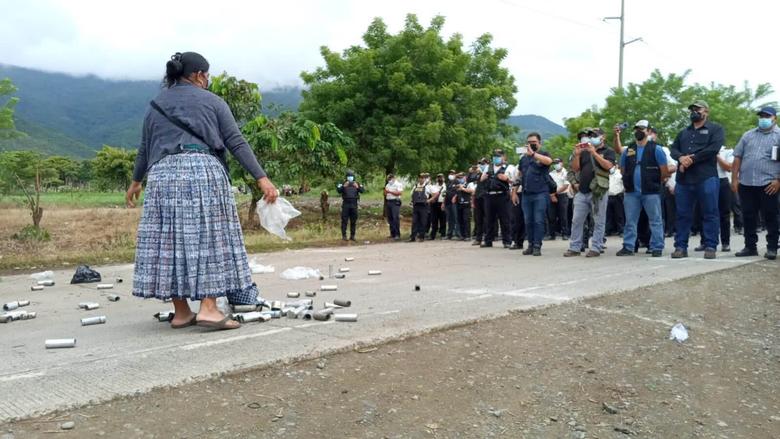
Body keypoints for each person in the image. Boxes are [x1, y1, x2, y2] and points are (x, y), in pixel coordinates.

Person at [126, 51, 278, 331]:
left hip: (162, 176)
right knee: (210, 239)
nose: (207, 80)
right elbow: (236, 141)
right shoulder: (213, 102)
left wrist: (136, 182)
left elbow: (145, 149)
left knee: (169, 242)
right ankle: (208, 309)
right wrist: (262, 178)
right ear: (198, 75)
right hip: (202, 172)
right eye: (206, 75)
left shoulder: (155, 105)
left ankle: (181, 312)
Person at [669, 100, 725, 259]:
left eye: (697, 109)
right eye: (692, 109)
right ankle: (680, 246)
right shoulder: (683, 132)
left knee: (710, 212)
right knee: (682, 214)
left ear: (706, 111)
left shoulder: (716, 129)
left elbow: (713, 149)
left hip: (706, 176)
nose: (694, 111)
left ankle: (710, 246)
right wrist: (681, 157)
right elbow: (674, 149)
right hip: (684, 179)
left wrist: (692, 159)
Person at [731, 106, 780, 260]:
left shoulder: (779, 136)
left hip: (769, 183)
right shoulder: (748, 135)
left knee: (771, 216)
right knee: (748, 215)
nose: (763, 119)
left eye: (767, 116)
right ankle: (750, 246)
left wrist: (778, 180)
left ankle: (772, 247)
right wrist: (734, 179)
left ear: (774, 118)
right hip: (747, 183)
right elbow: (737, 157)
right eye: (761, 116)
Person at [615, 120, 670, 257]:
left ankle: (657, 247)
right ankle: (628, 246)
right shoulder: (628, 150)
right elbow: (622, 169)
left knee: (655, 220)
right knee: (630, 221)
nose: (638, 131)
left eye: (642, 128)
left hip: (651, 191)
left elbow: (664, 170)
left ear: (649, 131)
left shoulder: (656, 149)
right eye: (636, 129)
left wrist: (655, 181)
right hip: (631, 192)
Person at [565, 128, 616, 257]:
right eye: (590, 135)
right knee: (576, 220)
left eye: (594, 135)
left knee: (599, 220)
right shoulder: (584, 152)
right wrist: (577, 155)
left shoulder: (608, 151)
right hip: (582, 191)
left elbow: (609, 166)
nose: (591, 137)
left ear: (602, 137)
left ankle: (596, 247)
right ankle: (575, 247)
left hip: (598, 191)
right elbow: (576, 168)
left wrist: (594, 153)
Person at [518, 133, 554, 255]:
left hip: (540, 193)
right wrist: (514, 190)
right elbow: (520, 174)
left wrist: (533, 154)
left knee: (538, 220)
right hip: (526, 193)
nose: (531, 144)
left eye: (534, 142)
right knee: (528, 220)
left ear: (539, 143)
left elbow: (549, 161)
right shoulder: (523, 158)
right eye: (529, 142)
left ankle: (537, 246)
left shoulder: (543, 154)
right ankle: (531, 245)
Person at [481, 149, 512, 248]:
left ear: (504, 157)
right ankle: (488, 241)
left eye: (499, 156)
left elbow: (514, 181)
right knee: (489, 219)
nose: (496, 158)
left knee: (505, 219)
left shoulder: (509, 167)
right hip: (489, 195)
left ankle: (507, 241)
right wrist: (484, 177)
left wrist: (506, 178)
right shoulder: (488, 167)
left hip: (502, 195)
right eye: (495, 156)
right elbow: (481, 179)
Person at [712, 146, 735, 252]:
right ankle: (707, 242)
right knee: (707, 213)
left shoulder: (727, 150)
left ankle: (725, 243)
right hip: (707, 180)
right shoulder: (703, 148)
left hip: (722, 181)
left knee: (724, 214)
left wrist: (716, 155)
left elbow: (729, 167)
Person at [336, 169, 364, 241]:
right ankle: (344, 236)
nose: (350, 178)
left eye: (351, 176)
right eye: (349, 176)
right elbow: (338, 190)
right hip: (346, 204)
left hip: (354, 204)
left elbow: (362, 190)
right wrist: (343, 186)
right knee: (344, 220)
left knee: (353, 220)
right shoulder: (343, 183)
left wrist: (358, 187)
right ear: (346, 177)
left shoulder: (357, 183)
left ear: (353, 177)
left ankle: (352, 236)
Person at [547, 158, 571, 240]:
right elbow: (548, 185)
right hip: (551, 196)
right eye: (554, 163)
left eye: (557, 163)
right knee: (551, 216)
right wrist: (552, 195)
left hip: (562, 195)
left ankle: (565, 234)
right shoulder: (551, 173)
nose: (556, 165)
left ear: (562, 163)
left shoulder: (566, 173)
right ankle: (552, 234)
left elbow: (566, 186)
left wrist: (554, 193)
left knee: (563, 216)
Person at [409, 173, 434, 242]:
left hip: (424, 206)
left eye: (423, 178)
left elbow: (435, 194)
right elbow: (412, 195)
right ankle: (413, 237)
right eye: (420, 177)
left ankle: (421, 237)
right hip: (416, 206)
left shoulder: (428, 186)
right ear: (418, 178)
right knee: (414, 222)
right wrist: (411, 201)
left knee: (423, 221)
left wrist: (429, 200)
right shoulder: (415, 186)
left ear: (425, 179)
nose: (421, 179)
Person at [472, 159, 489, 245]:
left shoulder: (489, 172)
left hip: (486, 196)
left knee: (487, 218)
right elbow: (470, 179)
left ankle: (487, 238)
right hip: (478, 196)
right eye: (479, 164)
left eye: (482, 164)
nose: (480, 165)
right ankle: (478, 238)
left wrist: (484, 173)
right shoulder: (477, 174)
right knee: (478, 218)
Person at [456, 171, 477, 240]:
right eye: (459, 177)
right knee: (460, 220)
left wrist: (463, 189)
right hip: (459, 204)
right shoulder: (458, 184)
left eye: (461, 177)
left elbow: (472, 191)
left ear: (465, 177)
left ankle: (468, 236)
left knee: (466, 220)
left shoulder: (469, 184)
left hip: (466, 204)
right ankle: (463, 235)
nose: (460, 178)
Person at [384, 173, 403, 241]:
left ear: (393, 178)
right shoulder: (388, 185)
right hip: (389, 202)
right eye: (388, 179)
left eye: (390, 178)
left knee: (395, 218)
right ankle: (392, 233)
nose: (389, 180)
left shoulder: (398, 184)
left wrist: (390, 191)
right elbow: (385, 193)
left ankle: (397, 234)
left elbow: (399, 193)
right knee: (390, 218)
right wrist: (386, 192)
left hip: (395, 202)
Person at [427, 174, 446, 240]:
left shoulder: (446, 186)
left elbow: (446, 196)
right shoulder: (434, 186)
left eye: (441, 177)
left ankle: (443, 234)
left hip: (442, 203)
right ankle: (433, 235)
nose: (439, 179)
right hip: (434, 204)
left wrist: (444, 203)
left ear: (444, 178)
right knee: (434, 220)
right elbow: (430, 194)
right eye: (438, 177)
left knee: (443, 220)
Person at [444, 170, 461, 240]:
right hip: (448, 202)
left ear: (455, 174)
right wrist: (443, 203)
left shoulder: (457, 181)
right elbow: (446, 193)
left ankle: (458, 234)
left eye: (452, 173)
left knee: (456, 218)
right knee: (449, 219)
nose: (451, 174)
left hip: (454, 203)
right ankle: (449, 234)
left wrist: (455, 196)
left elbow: (459, 191)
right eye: (450, 173)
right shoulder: (448, 183)